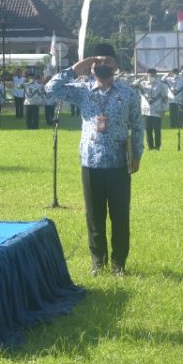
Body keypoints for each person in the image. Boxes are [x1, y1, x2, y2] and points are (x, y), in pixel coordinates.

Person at [46, 44, 144, 276]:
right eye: (98, 62)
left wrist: (137, 155)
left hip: (119, 163)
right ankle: (98, 262)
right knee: (94, 216)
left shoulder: (128, 93)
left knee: (120, 215)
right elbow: (51, 89)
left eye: (108, 61)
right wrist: (75, 68)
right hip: (90, 163)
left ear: (116, 65)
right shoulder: (83, 91)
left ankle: (119, 263)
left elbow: (138, 126)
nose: (103, 66)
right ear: (91, 67)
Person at [131, 68, 167, 149]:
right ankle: (150, 147)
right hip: (146, 111)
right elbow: (133, 85)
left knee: (157, 130)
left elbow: (164, 98)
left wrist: (164, 110)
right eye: (150, 75)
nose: (151, 76)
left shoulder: (161, 85)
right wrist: (142, 78)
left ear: (156, 75)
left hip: (157, 111)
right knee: (148, 130)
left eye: (153, 75)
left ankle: (157, 146)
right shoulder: (143, 84)